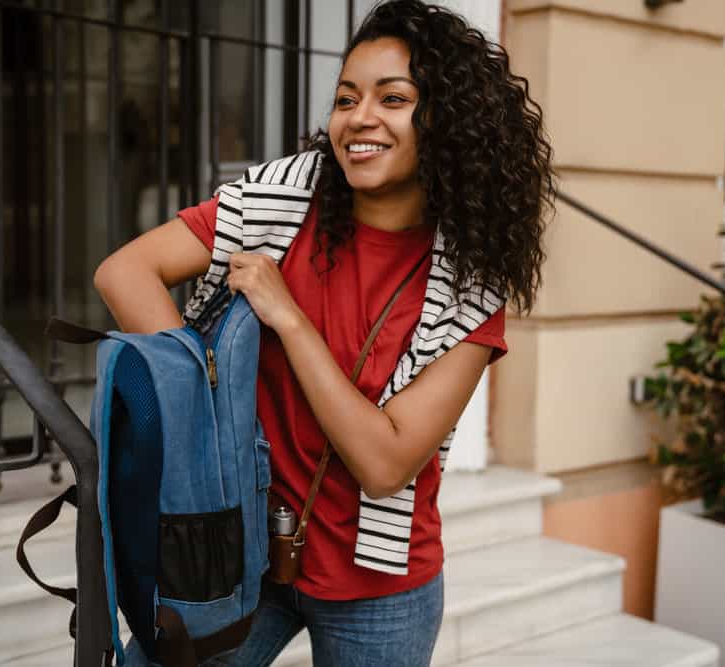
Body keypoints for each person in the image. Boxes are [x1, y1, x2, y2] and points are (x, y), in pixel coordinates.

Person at [93, 1, 554, 665]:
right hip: (239, 549)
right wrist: (206, 417)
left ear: (446, 121)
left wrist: (288, 317)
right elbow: (125, 272)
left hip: (380, 588)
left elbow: (386, 462)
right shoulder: (286, 196)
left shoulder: (470, 287)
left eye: (392, 98)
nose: (359, 117)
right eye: (346, 98)